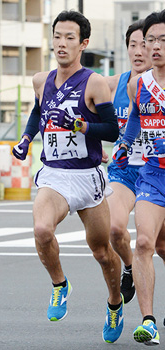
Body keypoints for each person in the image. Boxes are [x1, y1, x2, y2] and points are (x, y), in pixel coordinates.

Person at [12, 10, 124, 344]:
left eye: (69, 38)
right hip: (55, 175)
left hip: (87, 177)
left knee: (103, 253)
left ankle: (115, 303)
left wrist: (83, 126)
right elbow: (38, 111)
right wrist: (26, 138)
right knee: (42, 229)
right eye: (57, 36)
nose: (62, 44)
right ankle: (60, 284)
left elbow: (113, 131)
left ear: (83, 43)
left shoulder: (95, 82)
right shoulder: (40, 80)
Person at [113, 9, 165, 346]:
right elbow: (134, 118)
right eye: (150, 41)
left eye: (162, 40)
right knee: (144, 242)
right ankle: (148, 320)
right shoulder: (139, 84)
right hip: (151, 174)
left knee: (162, 245)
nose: (155, 47)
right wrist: (124, 144)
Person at [105, 20, 152, 304]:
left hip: (156, 171)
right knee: (113, 228)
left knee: (157, 243)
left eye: (143, 44)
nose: (138, 51)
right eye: (132, 45)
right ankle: (130, 267)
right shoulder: (113, 84)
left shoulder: (159, 85)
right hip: (124, 172)